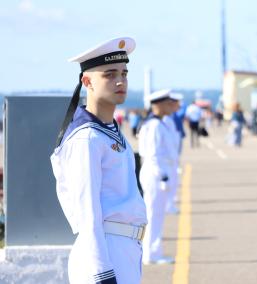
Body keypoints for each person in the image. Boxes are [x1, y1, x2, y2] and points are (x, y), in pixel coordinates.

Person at [50, 37, 147, 284]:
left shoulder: (109, 131)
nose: (120, 81)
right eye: (109, 74)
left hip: (123, 249)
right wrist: (102, 273)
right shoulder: (87, 139)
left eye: (124, 73)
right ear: (87, 81)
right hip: (104, 252)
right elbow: (87, 212)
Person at [138, 89, 175, 264]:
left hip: (158, 172)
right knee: (153, 215)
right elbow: (152, 155)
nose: (171, 106)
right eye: (168, 103)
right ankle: (150, 254)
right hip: (155, 174)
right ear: (158, 105)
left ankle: (154, 251)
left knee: (157, 214)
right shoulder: (154, 126)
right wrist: (163, 177)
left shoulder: (158, 124)